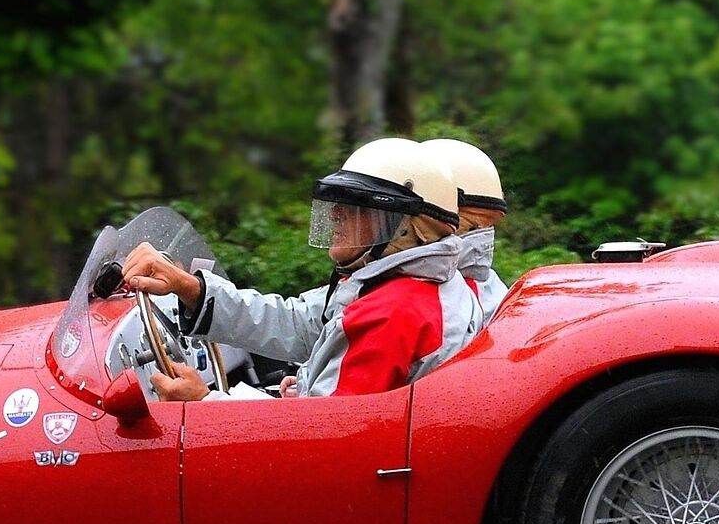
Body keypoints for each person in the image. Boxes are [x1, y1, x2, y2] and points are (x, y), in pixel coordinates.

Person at [120, 137, 479, 401]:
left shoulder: (392, 314)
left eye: (356, 207)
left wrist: (203, 403)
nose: (337, 215)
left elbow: (320, 438)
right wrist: (191, 288)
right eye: (337, 204)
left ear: (403, 227)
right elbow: (299, 322)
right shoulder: (413, 286)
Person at [423, 137, 509, 321]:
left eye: (488, 226)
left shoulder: (493, 295)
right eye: (472, 227)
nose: (482, 239)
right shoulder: (498, 294)